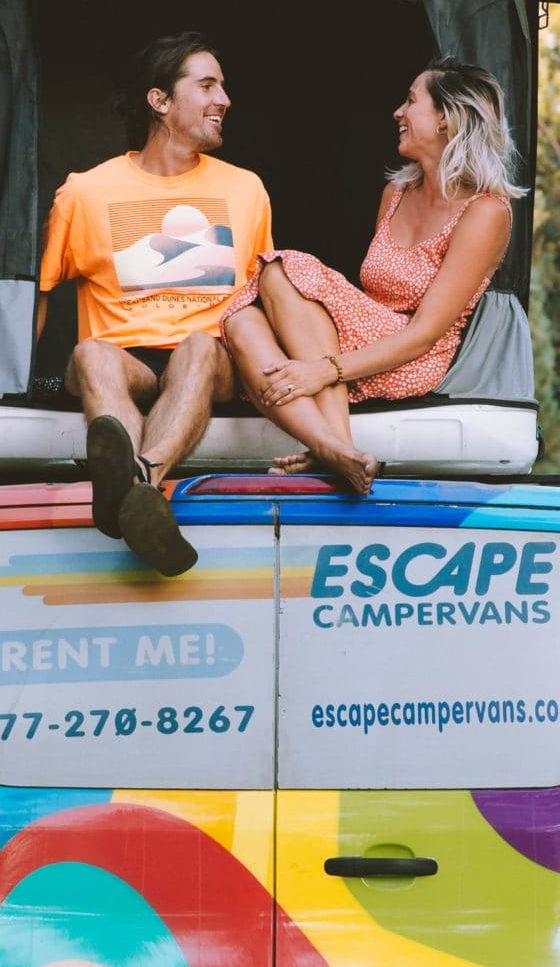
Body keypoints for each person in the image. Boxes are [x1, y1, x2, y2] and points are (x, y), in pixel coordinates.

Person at [220, 60, 520, 493]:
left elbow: (424, 334)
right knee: (239, 320)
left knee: (283, 266)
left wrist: (323, 371)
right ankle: (336, 450)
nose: (398, 112)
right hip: (365, 342)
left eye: (411, 101)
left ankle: (335, 446)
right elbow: (364, 300)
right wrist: (322, 361)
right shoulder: (395, 194)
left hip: (414, 355)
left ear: (445, 119)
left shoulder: (485, 211)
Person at [39, 32, 272, 575]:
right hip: (128, 364)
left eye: (224, 86)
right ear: (160, 101)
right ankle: (142, 502)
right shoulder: (85, 192)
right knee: (92, 353)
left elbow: (264, 298)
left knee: (197, 345)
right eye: (208, 85)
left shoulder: (247, 190)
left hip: (208, 362)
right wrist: (3, 381)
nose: (225, 99)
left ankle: (135, 484)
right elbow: (44, 291)